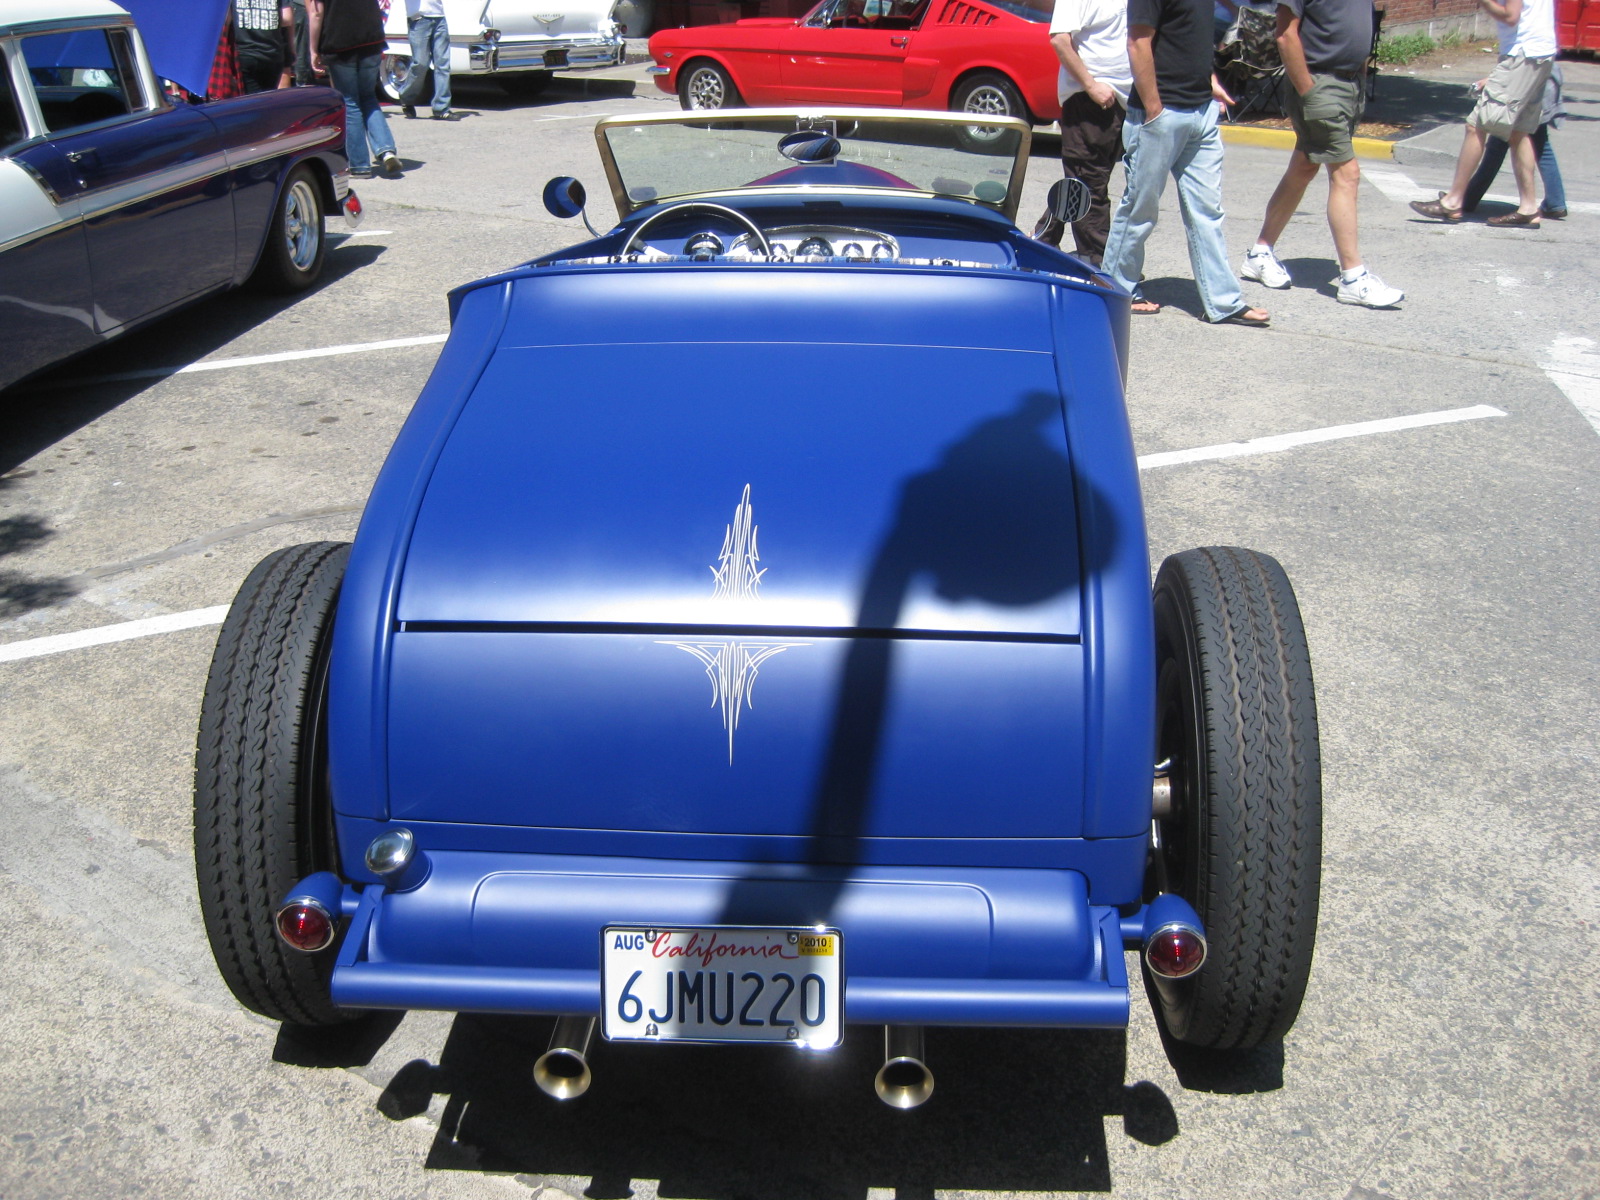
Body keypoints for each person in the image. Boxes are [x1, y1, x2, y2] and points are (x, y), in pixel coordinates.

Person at [1101, 0, 1270, 325]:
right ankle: (1117, 291)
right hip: (1160, 114)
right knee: (1140, 209)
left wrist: (1209, 81)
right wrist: (1154, 109)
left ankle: (1224, 303)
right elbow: (1138, 42)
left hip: (1201, 112)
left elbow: (1187, 39)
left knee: (1207, 212)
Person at [1238, 0, 1403, 308]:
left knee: (1303, 167)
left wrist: (1360, 74)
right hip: (1319, 83)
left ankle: (1260, 253)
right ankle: (1353, 277)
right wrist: (1308, 91)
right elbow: (1286, 34)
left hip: (1349, 82)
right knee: (1346, 173)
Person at [1409, 0, 1556, 228]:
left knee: (1477, 124)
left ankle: (1453, 201)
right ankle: (1529, 208)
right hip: (1540, 54)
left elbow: (1510, 16)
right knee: (1519, 132)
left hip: (1522, 53)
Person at [1032, 0, 1134, 265]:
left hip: (1122, 100)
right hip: (1090, 98)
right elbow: (1060, 40)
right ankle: (1099, 262)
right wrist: (1091, 86)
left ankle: (1043, 239)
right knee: (1091, 181)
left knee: (1082, 178)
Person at [308, 0, 402, 178]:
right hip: (371, 37)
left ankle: (360, 165)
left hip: (341, 42)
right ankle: (386, 151)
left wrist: (313, 50)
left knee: (350, 102)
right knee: (368, 98)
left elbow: (316, 13)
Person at [1462, 64, 1566, 219]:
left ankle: (1467, 199)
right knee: (1540, 146)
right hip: (1543, 85)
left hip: (1528, 89)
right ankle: (1555, 202)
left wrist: (1491, 80)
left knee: (1496, 146)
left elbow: (1522, 64)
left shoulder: (1526, 42)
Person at [401, 0, 453, 120]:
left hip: (439, 16)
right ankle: (406, 96)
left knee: (443, 64)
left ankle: (441, 108)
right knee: (421, 63)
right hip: (418, 18)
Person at [232, 0, 292, 93]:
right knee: (268, 99)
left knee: (252, 101)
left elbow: (226, 19)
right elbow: (287, 18)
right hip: (272, 53)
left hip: (245, 52)